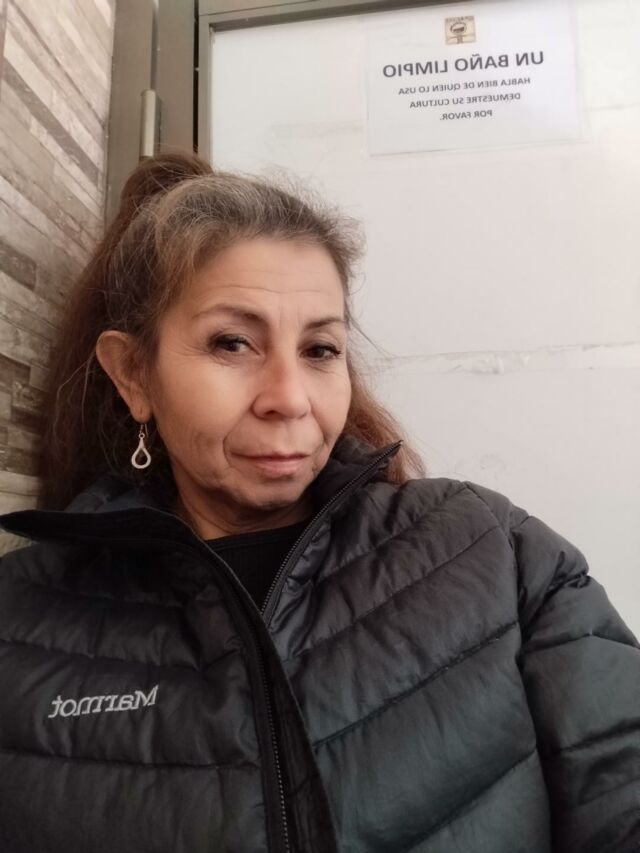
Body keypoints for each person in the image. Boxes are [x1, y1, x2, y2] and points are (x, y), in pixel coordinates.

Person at [0, 152, 637, 853]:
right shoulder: (21, 620)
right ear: (134, 375)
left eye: (321, 349)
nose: (290, 398)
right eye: (232, 342)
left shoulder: (495, 551)